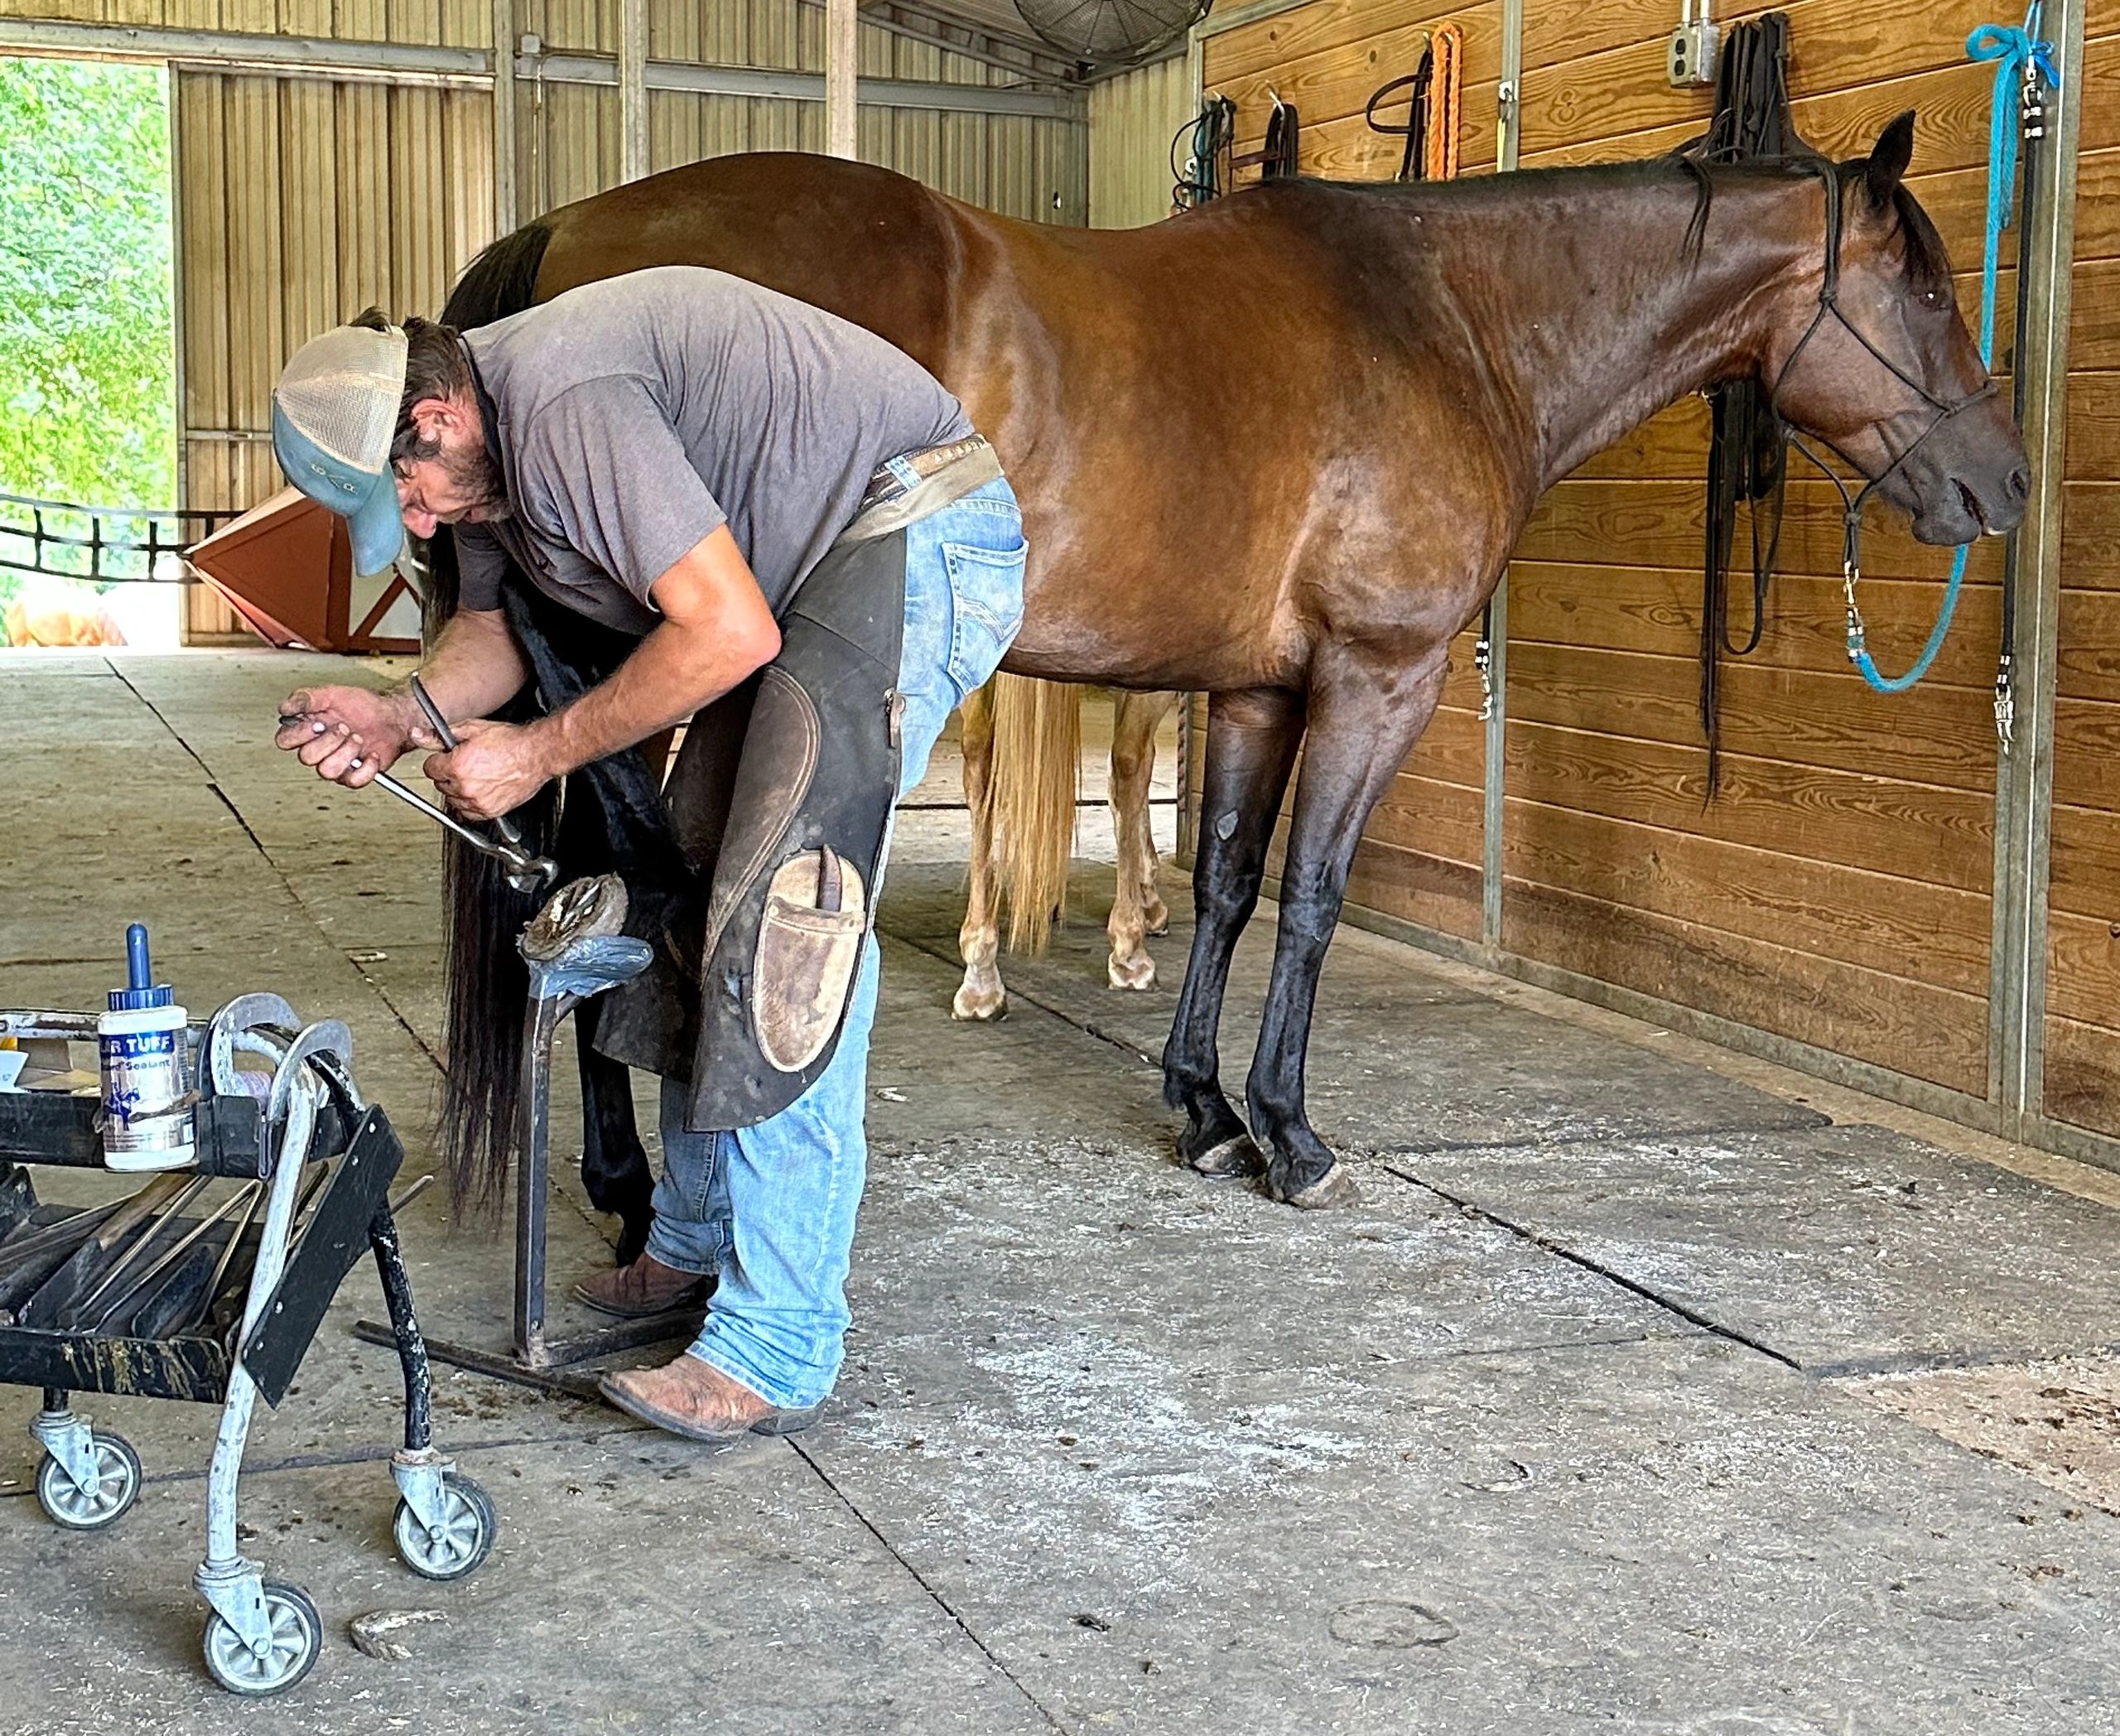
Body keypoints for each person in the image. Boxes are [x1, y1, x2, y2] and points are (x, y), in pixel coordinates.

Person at [268, 266, 1027, 1443]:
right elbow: (488, 634)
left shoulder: (567, 405)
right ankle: (692, 1241)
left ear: (437, 419)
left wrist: (535, 756)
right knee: (688, 882)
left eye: (407, 496)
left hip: (913, 529)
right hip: (797, 579)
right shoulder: (481, 460)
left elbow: (727, 630)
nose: (415, 524)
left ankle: (779, 1339)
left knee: (792, 923)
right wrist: (397, 713)